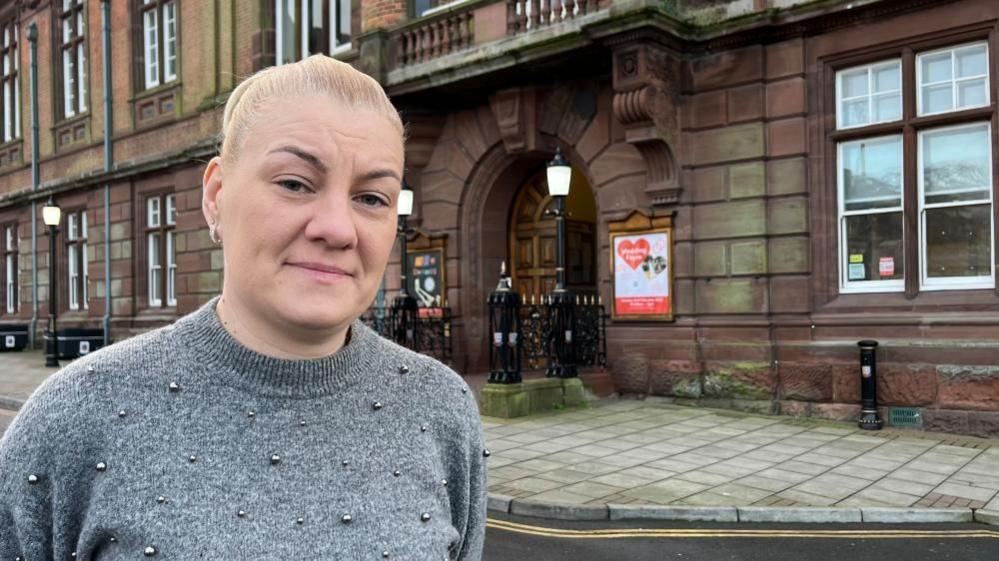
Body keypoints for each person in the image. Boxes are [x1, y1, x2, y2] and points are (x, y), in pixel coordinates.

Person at [0, 55, 487, 560]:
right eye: (295, 184)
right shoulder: (77, 414)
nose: (339, 229)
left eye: (371, 198)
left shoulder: (441, 408)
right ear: (215, 195)